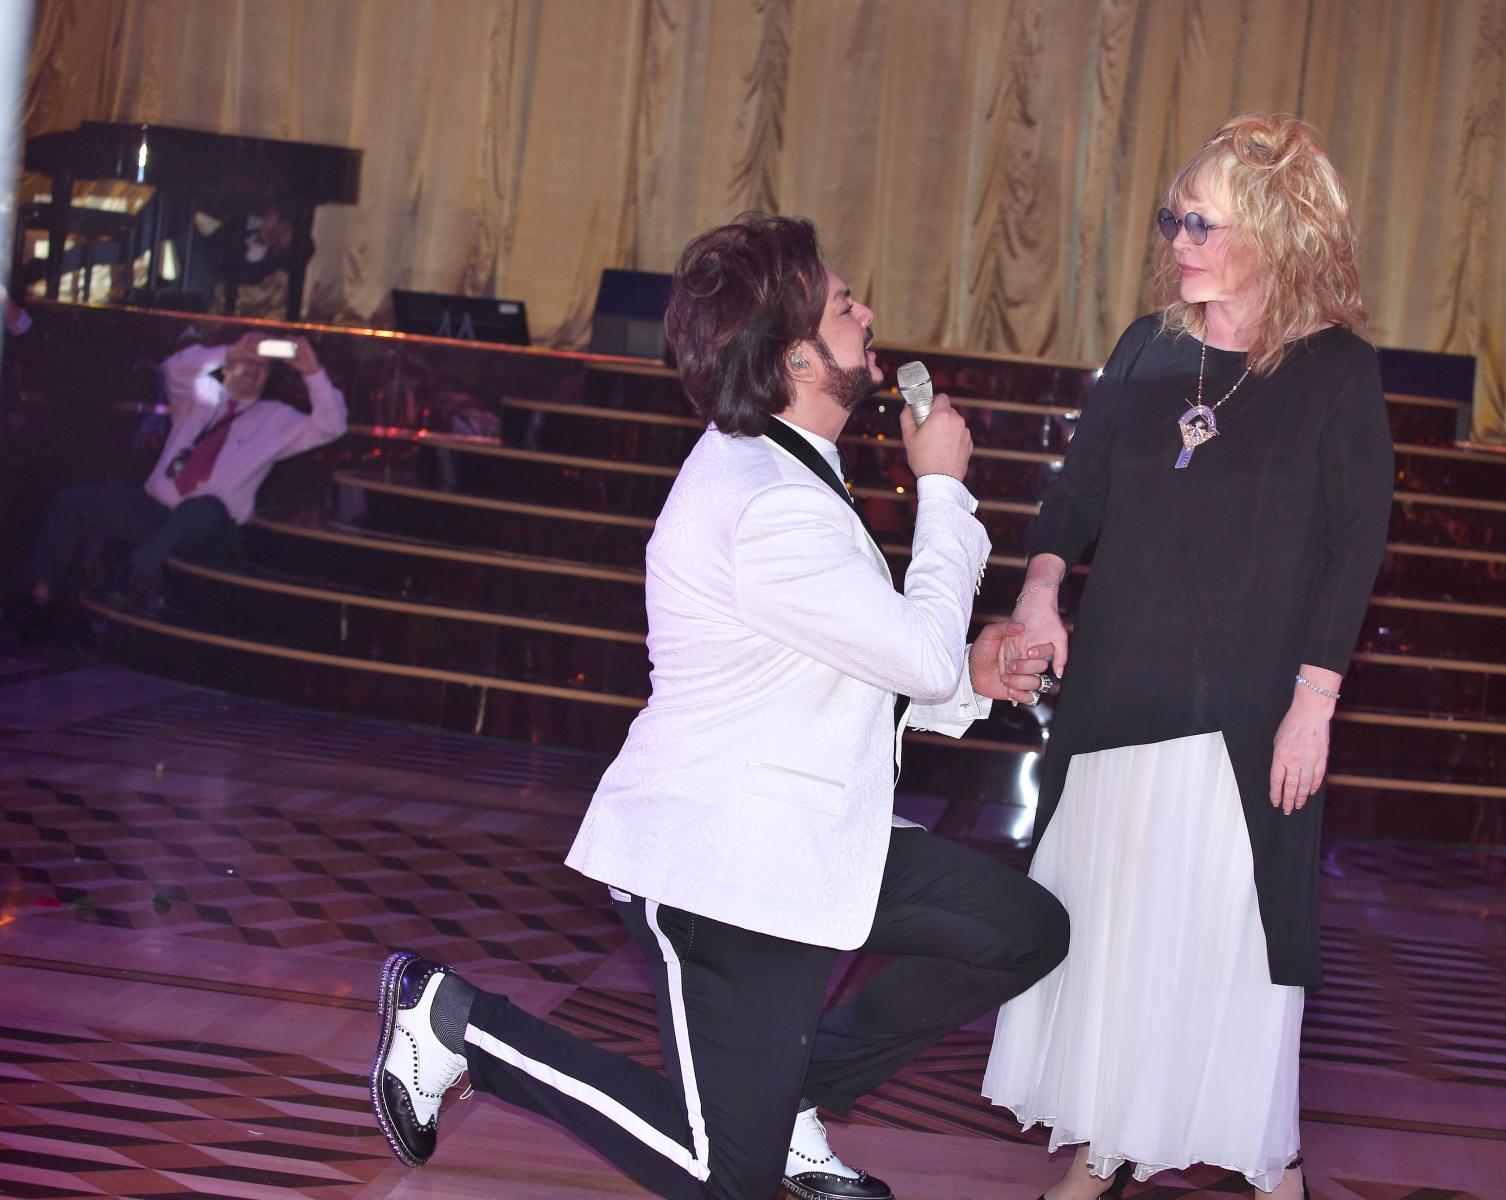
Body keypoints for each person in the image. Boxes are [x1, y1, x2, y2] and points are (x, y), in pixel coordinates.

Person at [369, 213, 1069, 1200]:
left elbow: (838, 665)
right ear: (796, 357)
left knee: (1018, 930)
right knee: (721, 1182)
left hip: (810, 835)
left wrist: (968, 675)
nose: (868, 313)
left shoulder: (783, 471)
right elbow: (907, 653)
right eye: (843, 305)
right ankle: (460, 1027)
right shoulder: (766, 501)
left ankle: (790, 1101)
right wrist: (945, 492)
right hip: (727, 873)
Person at [982, 114, 1395, 1199]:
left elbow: (1355, 547)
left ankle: (1271, 1172)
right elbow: (1077, 495)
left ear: (1276, 230)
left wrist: (1315, 703)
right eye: (1174, 218)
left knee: (1221, 947)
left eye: (1202, 223)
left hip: (1243, 718)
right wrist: (1040, 588)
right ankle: (1103, 1146)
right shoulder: (1150, 348)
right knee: (1110, 935)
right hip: (1116, 695)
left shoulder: (1336, 371)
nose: (1178, 240)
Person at [14, 330, 345, 616]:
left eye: (262, 367)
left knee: (204, 506)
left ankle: (127, 578)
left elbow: (332, 425)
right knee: (72, 501)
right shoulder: (200, 395)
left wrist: (313, 373)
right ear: (229, 366)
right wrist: (231, 350)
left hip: (213, 530)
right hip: (155, 512)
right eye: (248, 363)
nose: (254, 372)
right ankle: (39, 593)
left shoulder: (276, 418)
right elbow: (174, 367)